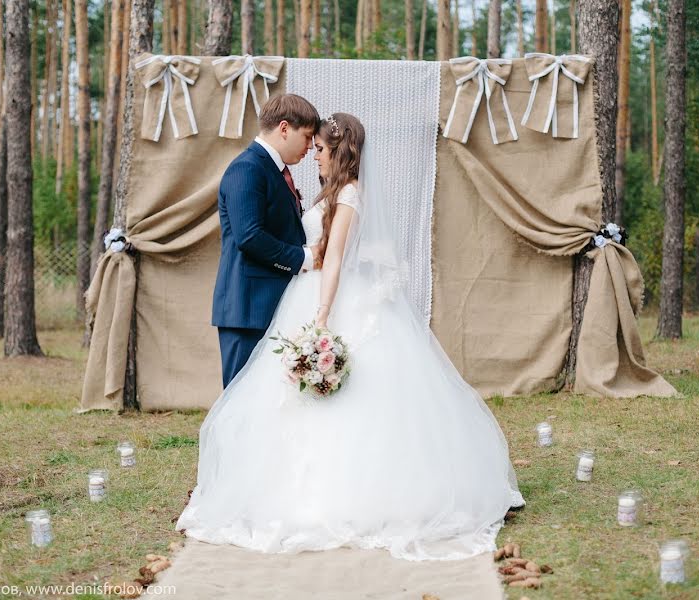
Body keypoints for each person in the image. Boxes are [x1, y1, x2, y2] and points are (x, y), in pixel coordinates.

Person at [180, 112, 524, 561]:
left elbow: (336, 258)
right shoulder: (326, 190)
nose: (314, 155)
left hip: (330, 298)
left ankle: (337, 493)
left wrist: (322, 317)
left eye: (319, 149)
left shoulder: (349, 193)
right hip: (307, 291)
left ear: (337, 151)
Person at [212, 94, 321, 388]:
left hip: (269, 303)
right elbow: (250, 236)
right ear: (284, 128)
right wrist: (305, 258)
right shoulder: (247, 168)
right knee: (239, 395)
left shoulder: (273, 170)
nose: (310, 147)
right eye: (308, 136)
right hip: (247, 307)